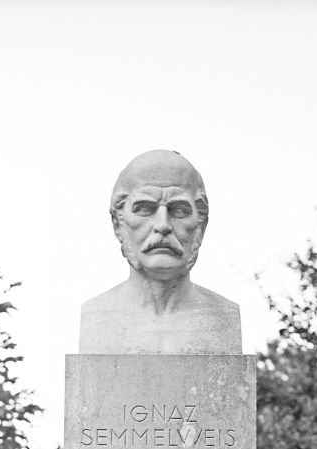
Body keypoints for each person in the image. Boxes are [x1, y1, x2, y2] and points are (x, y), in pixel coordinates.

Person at [80, 149, 241, 353]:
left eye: (179, 210)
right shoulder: (96, 317)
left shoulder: (224, 318)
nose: (163, 225)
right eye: (144, 209)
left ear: (201, 226)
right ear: (118, 224)